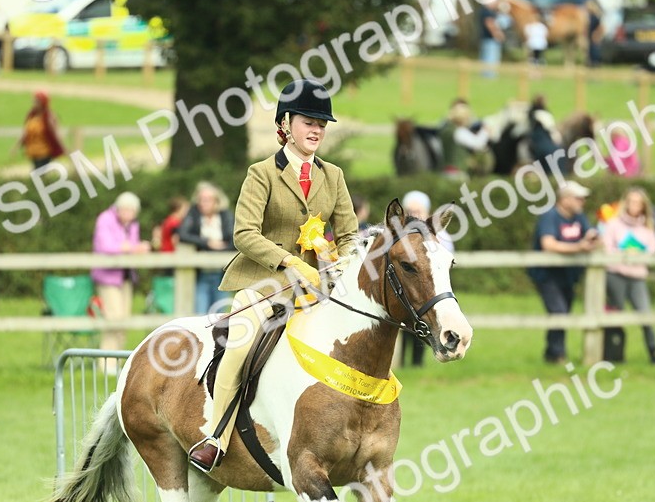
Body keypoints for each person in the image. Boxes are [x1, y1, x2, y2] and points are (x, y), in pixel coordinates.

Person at [188, 78, 358, 472]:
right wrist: (289, 261)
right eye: (308, 121)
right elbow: (244, 233)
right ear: (286, 123)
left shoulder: (333, 176)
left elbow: (349, 234)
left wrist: (341, 267)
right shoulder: (261, 173)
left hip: (318, 288)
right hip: (265, 285)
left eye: (322, 123)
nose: (316, 129)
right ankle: (215, 435)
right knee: (240, 346)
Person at [528, 181, 599, 364]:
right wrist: (579, 247)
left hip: (568, 275)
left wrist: (593, 238)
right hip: (548, 275)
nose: (582, 202)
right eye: (578, 198)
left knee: (563, 313)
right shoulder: (550, 217)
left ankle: (551, 353)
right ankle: (558, 355)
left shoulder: (578, 217)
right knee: (559, 312)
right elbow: (548, 244)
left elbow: (589, 233)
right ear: (565, 199)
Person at [92, 192, 151, 368]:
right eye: (126, 210)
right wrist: (130, 247)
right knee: (113, 318)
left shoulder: (132, 224)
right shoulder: (105, 219)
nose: (129, 214)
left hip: (125, 277)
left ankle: (116, 362)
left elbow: (131, 246)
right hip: (108, 277)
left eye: (132, 211)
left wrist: (139, 248)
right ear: (118, 208)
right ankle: (106, 364)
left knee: (124, 320)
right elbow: (105, 246)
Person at [602, 187, 655, 364]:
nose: (634, 205)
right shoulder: (613, 224)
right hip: (616, 274)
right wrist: (624, 254)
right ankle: (614, 355)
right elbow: (607, 247)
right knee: (615, 315)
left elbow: (653, 249)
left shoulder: (647, 226)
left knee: (645, 314)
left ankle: (653, 353)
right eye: (631, 201)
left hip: (637, 276)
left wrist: (638, 255)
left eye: (638, 202)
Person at [397, 190, 452, 368]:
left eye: (418, 211)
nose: (414, 215)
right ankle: (403, 363)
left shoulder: (440, 235)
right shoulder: (399, 236)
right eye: (410, 211)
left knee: (427, 324)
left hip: (432, 286)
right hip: (409, 285)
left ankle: (418, 363)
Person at [177, 182, 235, 315]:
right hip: (201, 274)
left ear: (217, 201)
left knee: (219, 317)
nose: (203, 203)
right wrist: (207, 242)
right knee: (200, 315)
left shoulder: (225, 215)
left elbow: (233, 240)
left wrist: (217, 249)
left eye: (208, 200)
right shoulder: (194, 214)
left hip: (222, 275)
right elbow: (182, 234)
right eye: (201, 199)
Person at [438, 100, 491, 181]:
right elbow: (477, 144)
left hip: (444, 173)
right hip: (458, 175)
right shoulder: (459, 132)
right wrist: (485, 132)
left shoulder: (445, 130)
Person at [16, 91, 65, 169]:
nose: (34, 103)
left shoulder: (48, 116)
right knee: (36, 173)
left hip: (44, 151)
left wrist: (62, 147)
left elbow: (55, 133)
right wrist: (17, 146)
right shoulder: (31, 115)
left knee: (39, 173)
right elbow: (25, 132)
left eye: (37, 101)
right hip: (32, 151)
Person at [478, 0, 506, 78]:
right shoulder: (487, 12)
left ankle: (488, 75)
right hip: (490, 39)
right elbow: (490, 24)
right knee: (491, 59)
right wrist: (497, 34)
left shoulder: (489, 11)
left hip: (488, 39)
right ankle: (489, 76)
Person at [586, 0, 604, 67]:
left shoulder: (595, 17)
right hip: (590, 35)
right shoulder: (590, 16)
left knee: (594, 49)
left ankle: (596, 62)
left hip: (594, 35)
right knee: (590, 49)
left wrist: (597, 34)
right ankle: (591, 62)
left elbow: (599, 27)